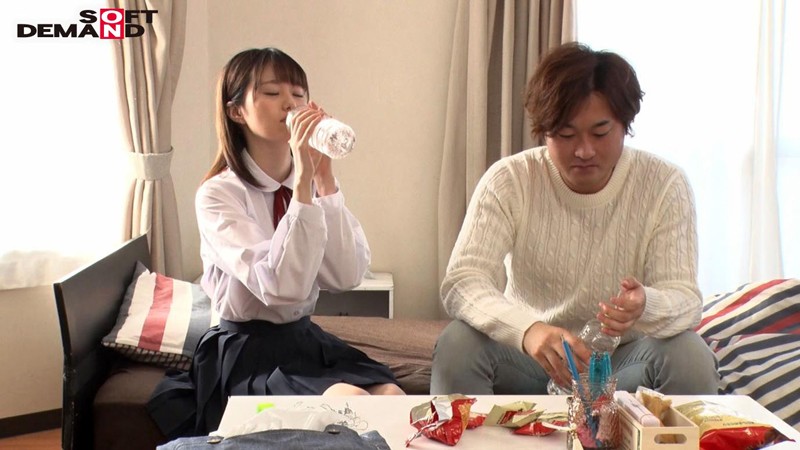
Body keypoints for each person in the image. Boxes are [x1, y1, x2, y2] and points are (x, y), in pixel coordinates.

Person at [430, 42, 719, 396]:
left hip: (620, 366)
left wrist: (646, 304)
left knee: (690, 355)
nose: (584, 150)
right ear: (544, 130)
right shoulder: (510, 180)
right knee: (457, 344)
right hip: (530, 358)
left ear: (625, 125)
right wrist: (528, 330)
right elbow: (462, 281)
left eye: (600, 133)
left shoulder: (664, 184)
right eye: (566, 135)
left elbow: (686, 301)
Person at [147, 47, 403, 439]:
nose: (290, 104)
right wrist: (303, 185)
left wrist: (324, 181)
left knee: (392, 398)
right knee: (351, 403)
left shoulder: (309, 185)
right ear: (237, 111)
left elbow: (346, 275)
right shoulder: (219, 195)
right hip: (247, 352)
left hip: (304, 340)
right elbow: (282, 288)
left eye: (298, 94)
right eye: (272, 93)